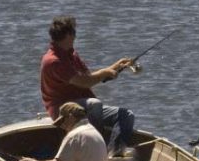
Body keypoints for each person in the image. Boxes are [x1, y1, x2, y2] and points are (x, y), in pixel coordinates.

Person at [39, 15, 139, 151]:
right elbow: (84, 82)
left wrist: (117, 66)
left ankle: (115, 152)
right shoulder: (54, 61)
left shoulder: (71, 55)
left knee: (127, 115)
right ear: (68, 35)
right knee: (95, 103)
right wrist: (105, 73)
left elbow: (89, 77)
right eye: (74, 33)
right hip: (64, 111)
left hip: (85, 107)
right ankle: (97, 147)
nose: (75, 37)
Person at [17, 102, 110, 161]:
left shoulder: (74, 135)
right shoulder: (94, 131)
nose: (62, 126)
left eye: (62, 121)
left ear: (71, 117)